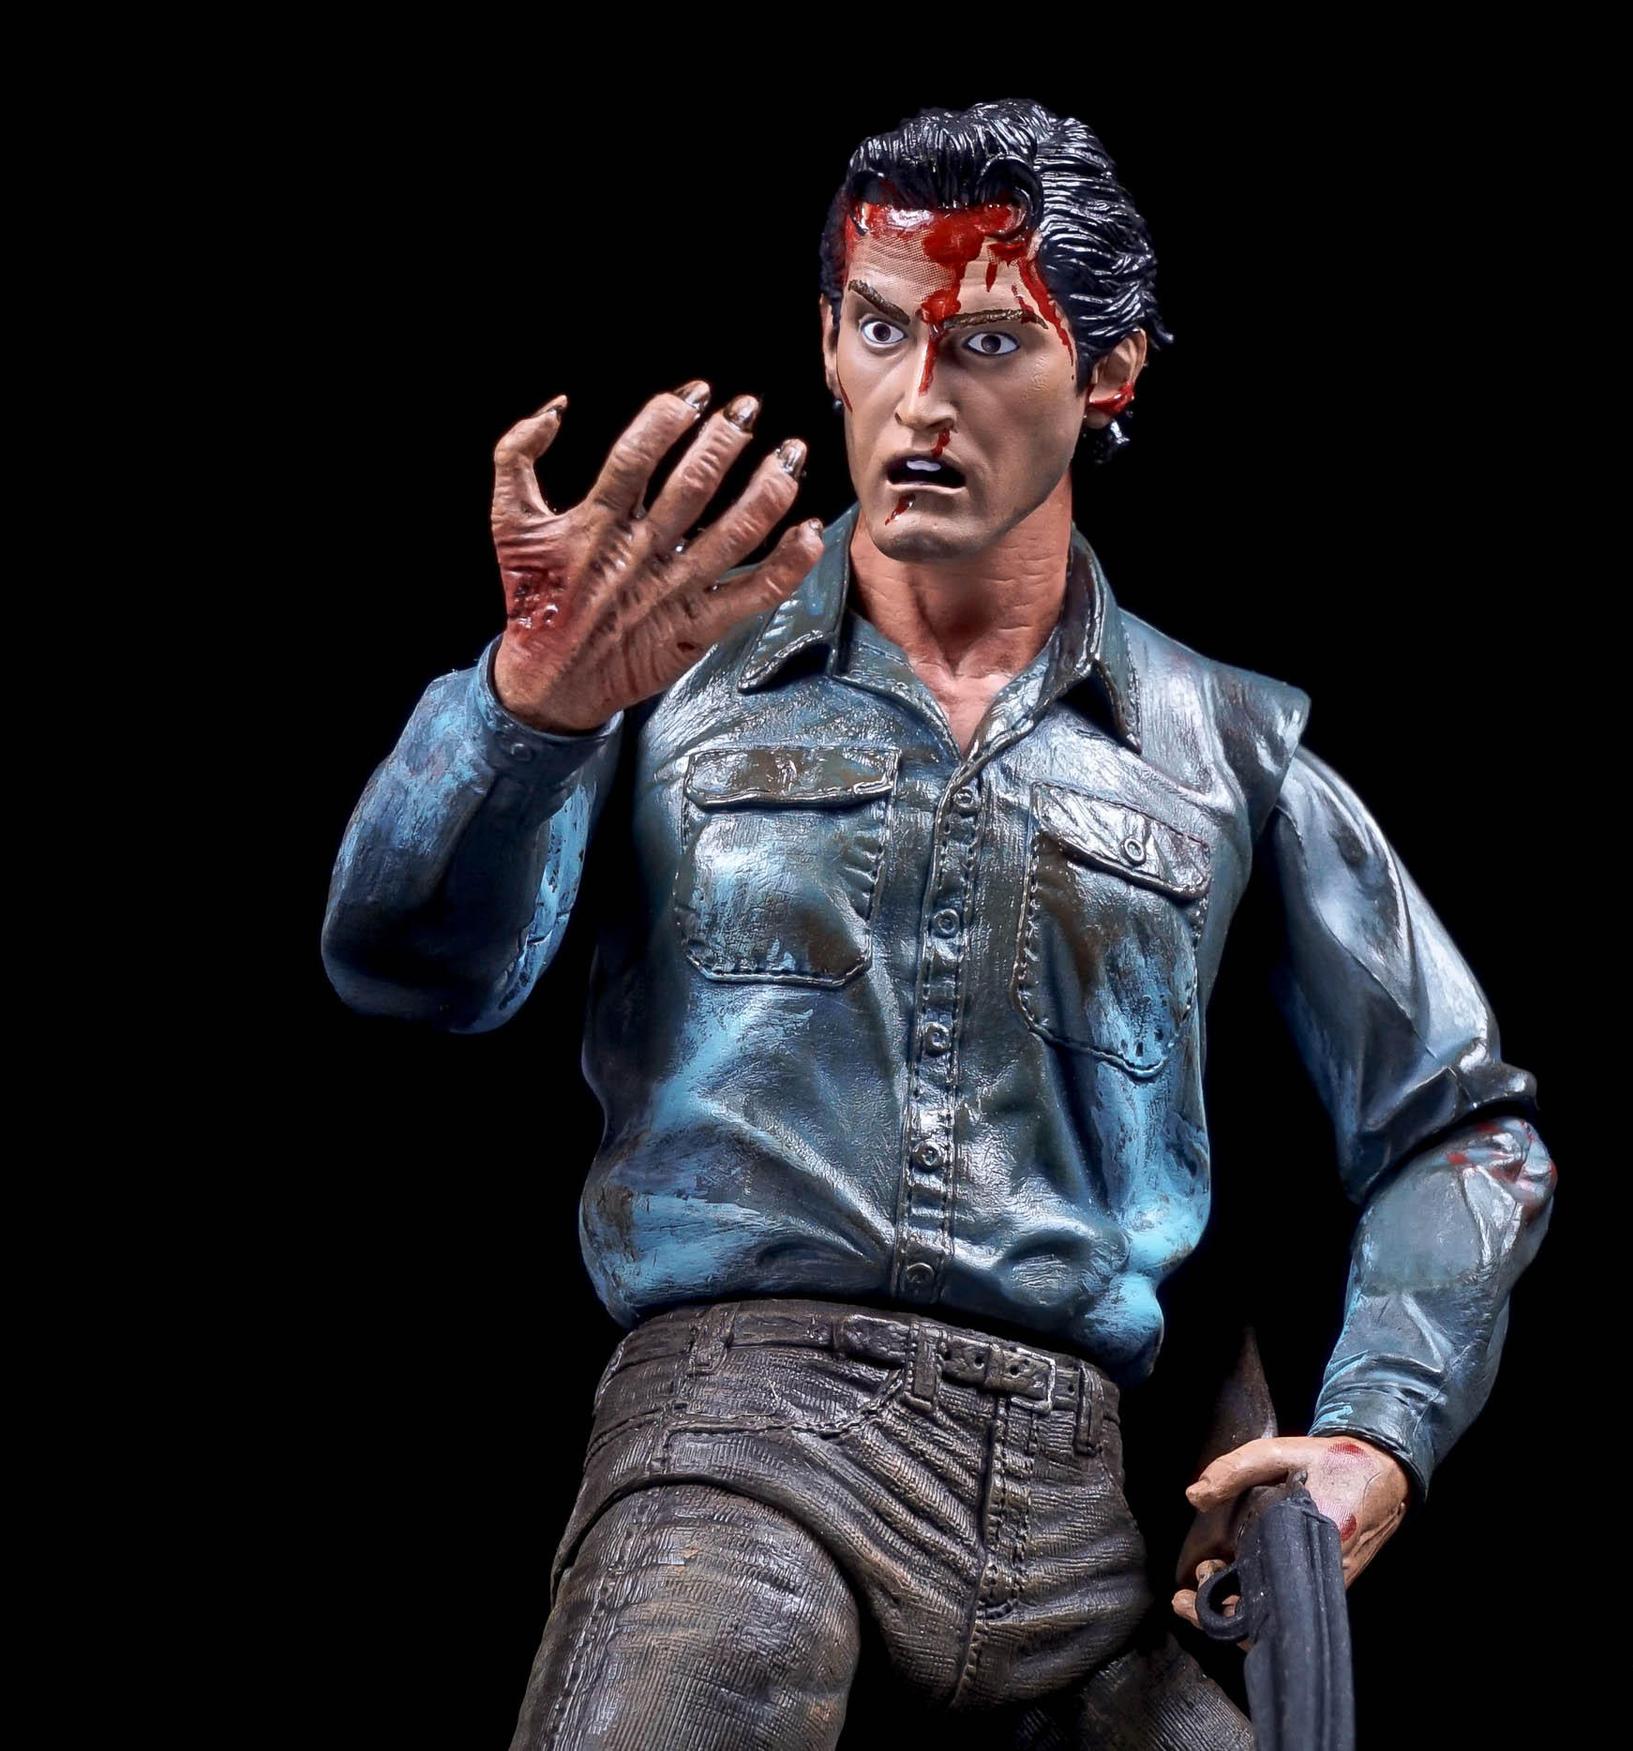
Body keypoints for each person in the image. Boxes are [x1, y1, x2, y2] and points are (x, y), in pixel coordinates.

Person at [322, 97, 1557, 1749]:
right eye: (884, 330)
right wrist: (525, 713)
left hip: (1089, 1517)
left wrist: (1375, 1432)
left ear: (1108, 374)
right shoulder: (664, 673)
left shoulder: (1225, 749)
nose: (922, 397)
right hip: (746, 1443)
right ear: (829, 345)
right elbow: (413, 966)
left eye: (987, 341)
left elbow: (1463, 1125)